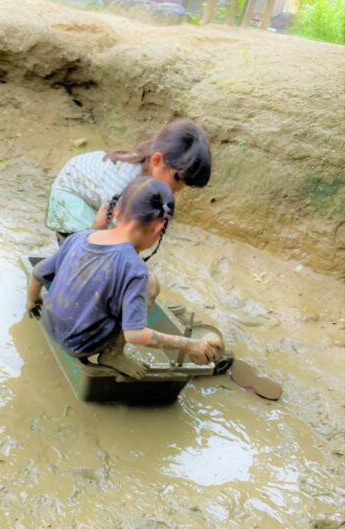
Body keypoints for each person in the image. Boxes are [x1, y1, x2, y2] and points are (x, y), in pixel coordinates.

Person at [29, 176, 221, 379]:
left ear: (117, 212)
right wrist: (189, 345)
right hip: (79, 344)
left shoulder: (79, 237)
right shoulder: (136, 270)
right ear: (158, 227)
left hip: (50, 323)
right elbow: (135, 334)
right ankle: (113, 354)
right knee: (151, 284)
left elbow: (38, 273)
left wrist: (33, 301)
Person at [46, 119, 211, 243]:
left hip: (95, 198)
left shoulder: (150, 174)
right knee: (84, 251)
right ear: (156, 160)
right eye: (175, 182)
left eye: (183, 185)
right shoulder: (123, 179)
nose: (177, 189)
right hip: (70, 199)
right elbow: (104, 223)